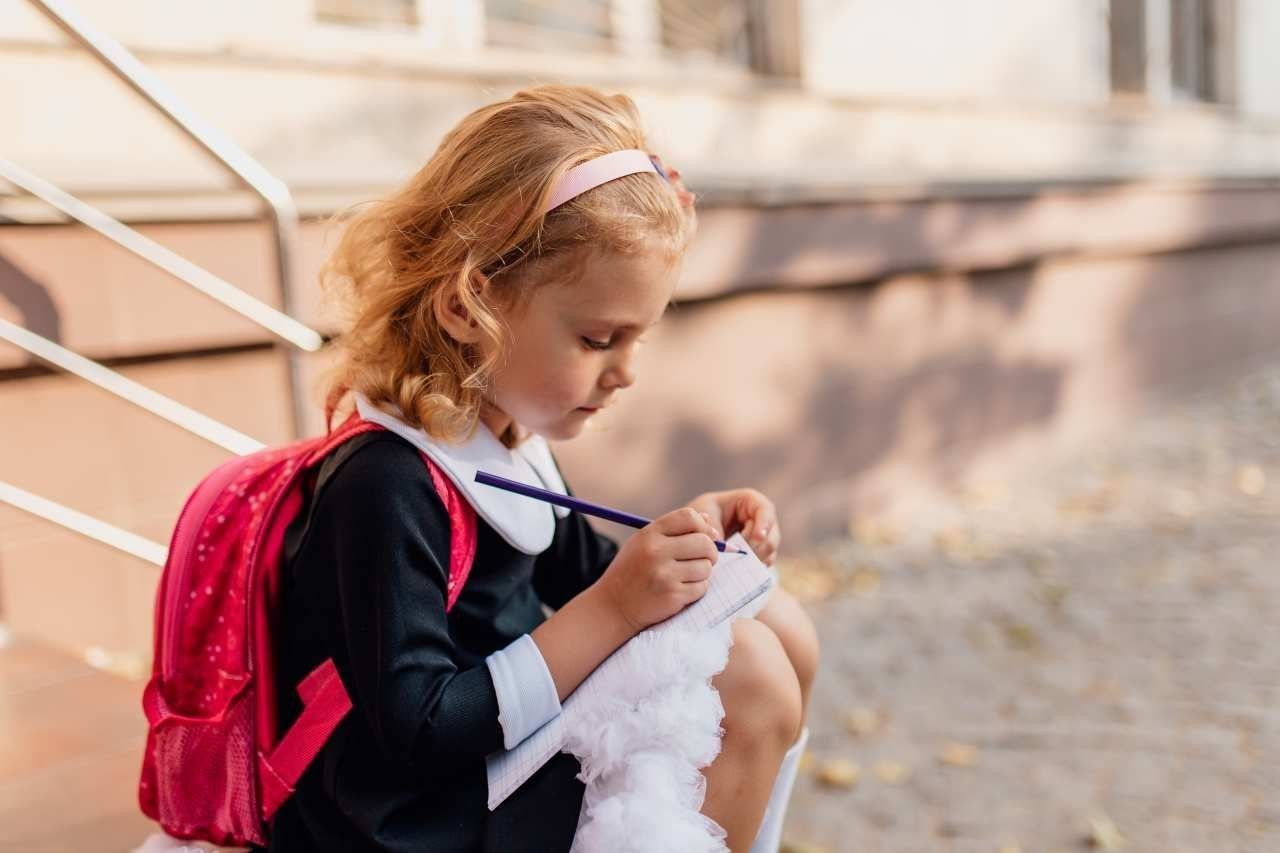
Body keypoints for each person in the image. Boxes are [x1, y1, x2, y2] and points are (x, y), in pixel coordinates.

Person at [266, 84, 820, 852]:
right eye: (599, 340)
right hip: (415, 817)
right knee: (750, 674)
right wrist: (619, 607)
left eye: (639, 340)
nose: (625, 371)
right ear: (469, 307)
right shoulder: (385, 484)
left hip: (495, 761)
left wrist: (684, 542)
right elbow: (421, 727)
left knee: (776, 625)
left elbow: (583, 574)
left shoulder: (509, 436)